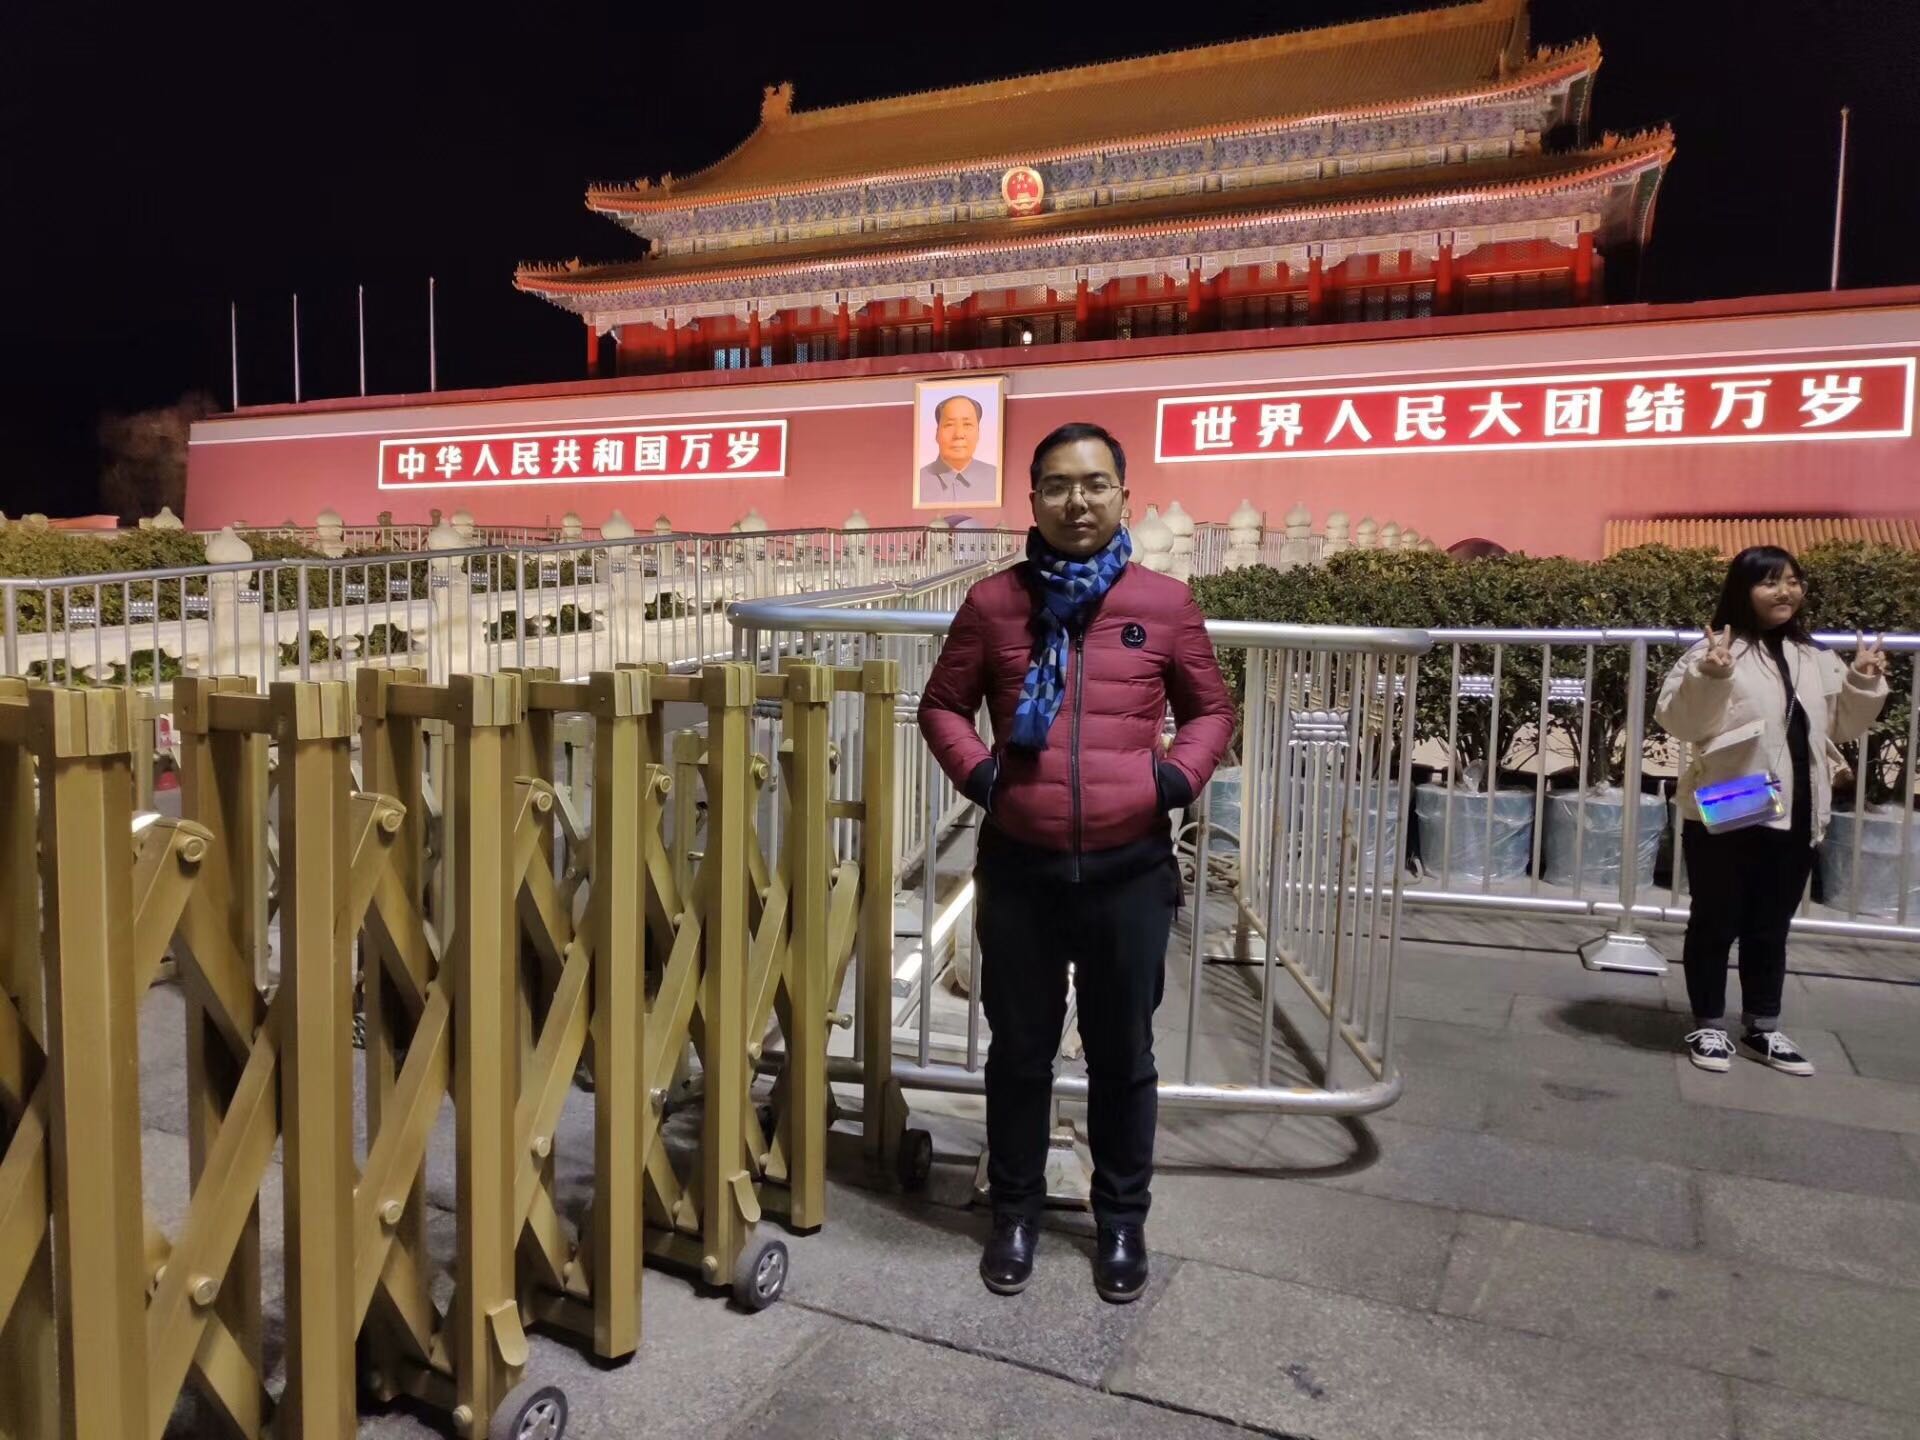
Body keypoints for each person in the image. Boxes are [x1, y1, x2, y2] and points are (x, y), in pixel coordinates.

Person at [918, 421, 1234, 1302]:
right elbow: (942, 706)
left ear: (1124, 495)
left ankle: (1121, 1220)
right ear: (1034, 500)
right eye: (1058, 485)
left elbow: (1211, 711)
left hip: (1130, 871)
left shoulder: (1165, 604)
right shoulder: (994, 605)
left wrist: (1172, 780)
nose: (1077, 501)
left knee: (1123, 1054)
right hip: (1021, 868)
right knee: (1018, 1052)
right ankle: (1015, 1210)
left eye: (1095, 483)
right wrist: (985, 778)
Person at [1655, 546, 1888, 1076]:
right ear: (1743, 590)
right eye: (1770, 582)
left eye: (1793, 581)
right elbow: (1682, 722)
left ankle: (1763, 1025)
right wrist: (1711, 676)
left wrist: (1861, 681)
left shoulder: (1814, 655)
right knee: (1716, 919)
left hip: (1799, 806)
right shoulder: (1714, 651)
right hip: (1735, 797)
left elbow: (1841, 725)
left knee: (1771, 924)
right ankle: (1709, 1024)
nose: (1786, 592)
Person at [917, 395, 998, 503]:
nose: (959, 434)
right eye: (950, 425)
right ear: (937, 433)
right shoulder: (917, 482)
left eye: (967, 424)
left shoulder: (997, 479)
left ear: (978, 432)